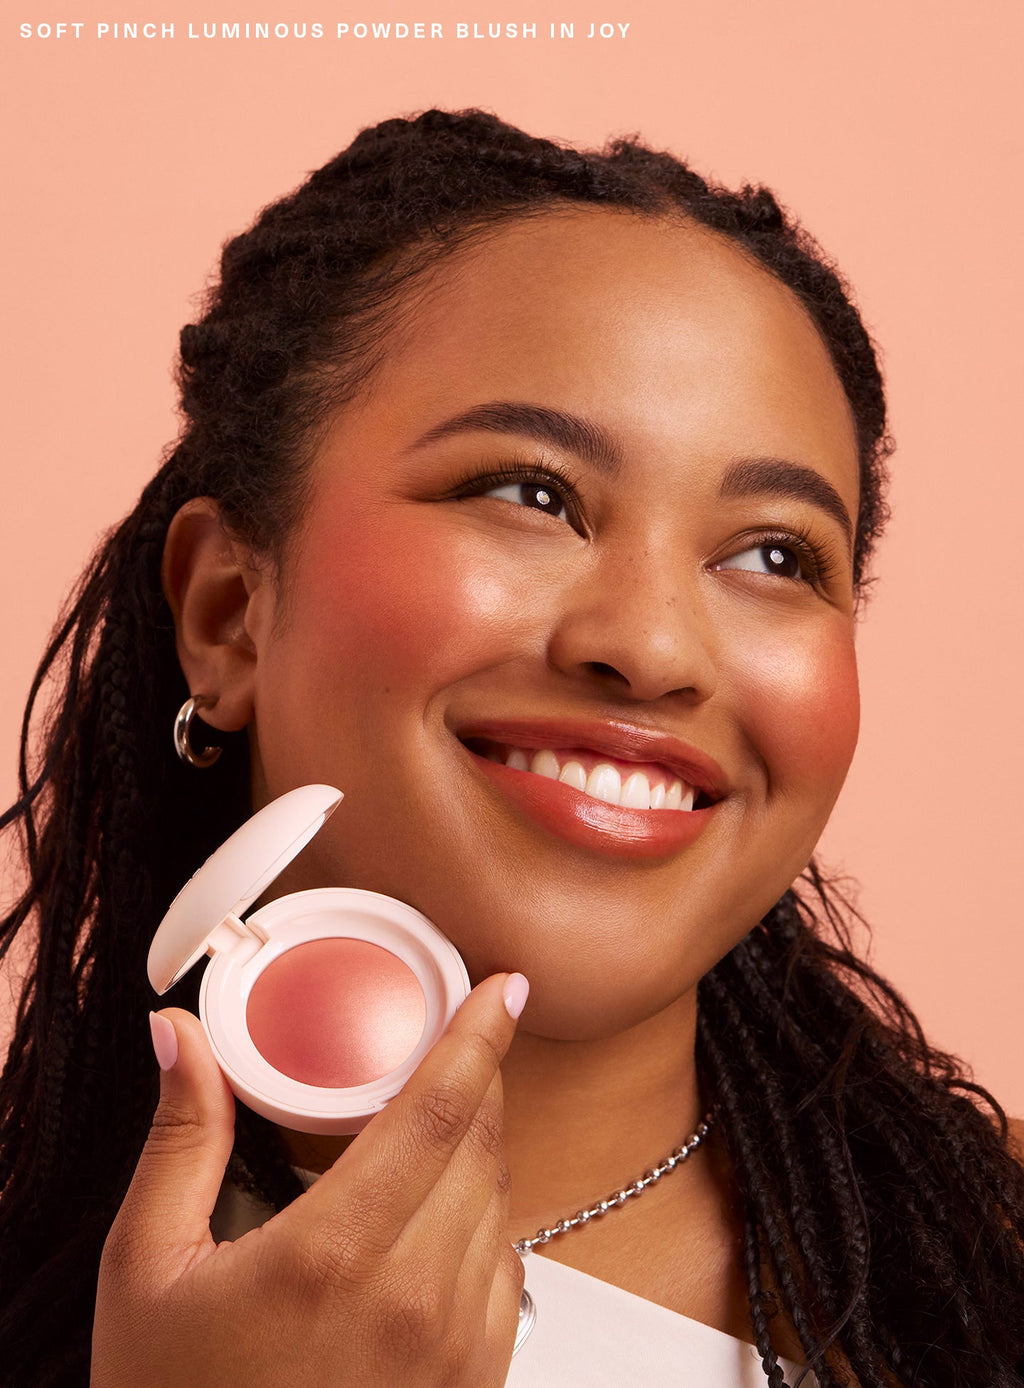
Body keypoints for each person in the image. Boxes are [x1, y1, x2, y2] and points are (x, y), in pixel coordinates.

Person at [1, 108, 1022, 1388]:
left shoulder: (992, 1260)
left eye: (774, 553)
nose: (652, 647)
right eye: (529, 493)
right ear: (228, 614)